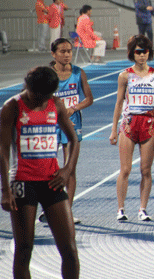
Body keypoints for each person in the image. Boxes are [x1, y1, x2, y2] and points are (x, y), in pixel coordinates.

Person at [0, 66, 80, 279]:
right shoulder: (11, 107)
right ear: (30, 89)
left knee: (70, 250)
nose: (43, 101)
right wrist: (5, 190)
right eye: (39, 97)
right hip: (23, 183)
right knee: (24, 249)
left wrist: (67, 169)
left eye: (48, 96)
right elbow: (3, 150)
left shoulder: (56, 104)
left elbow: (73, 139)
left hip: (52, 182)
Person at [109, 35, 154, 221]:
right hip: (128, 125)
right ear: (132, 54)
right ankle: (120, 208)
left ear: (149, 53)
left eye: (145, 52)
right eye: (138, 52)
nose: (142, 55)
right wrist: (113, 130)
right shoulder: (125, 76)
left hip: (148, 125)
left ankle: (142, 209)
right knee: (125, 169)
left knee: (146, 170)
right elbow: (118, 103)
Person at [38, 39, 93, 225]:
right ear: (53, 54)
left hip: (71, 125)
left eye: (69, 51)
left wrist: (74, 108)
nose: (67, 54)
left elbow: (89, 99)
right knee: (48, 169)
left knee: (70, 168)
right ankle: (49, 208)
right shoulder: (46, 75)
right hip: (50, 125)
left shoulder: (78, 73)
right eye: (62, 51)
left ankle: (67, 211)